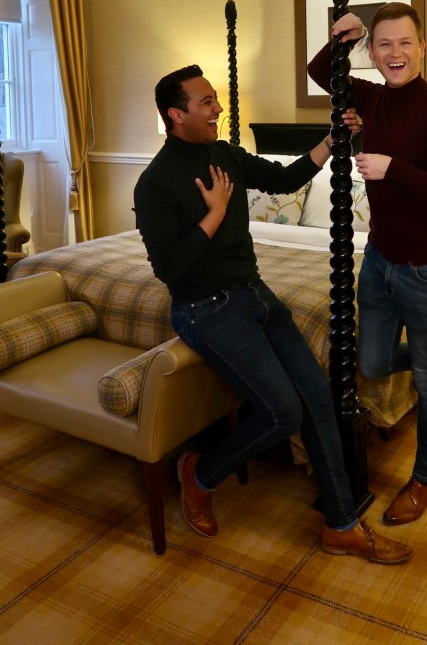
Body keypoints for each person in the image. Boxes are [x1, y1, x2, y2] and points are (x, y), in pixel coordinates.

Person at [134, 63, 412, 565]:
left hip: (255, 294)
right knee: (283, 412)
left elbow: (284, 180)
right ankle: (199, 474)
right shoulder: (155, 183)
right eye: (206, 102)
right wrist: (215, 214)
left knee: (318, 397)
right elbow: (170, 269)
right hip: (205, 309)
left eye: (215, 98)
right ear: (176, 114)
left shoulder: (224, 154)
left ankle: (341, 525)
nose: (218, 108)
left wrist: (332, 140)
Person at [308, 3, 427, 525]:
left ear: (421, 47)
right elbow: (319, 71)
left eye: (405, 42)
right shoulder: (372, 98)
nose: (395, 53)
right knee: (372, 364)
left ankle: (424, 480)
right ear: (373, 52)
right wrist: (349, 35)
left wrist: (393, 169)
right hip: (379, 259)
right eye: (383, 44)